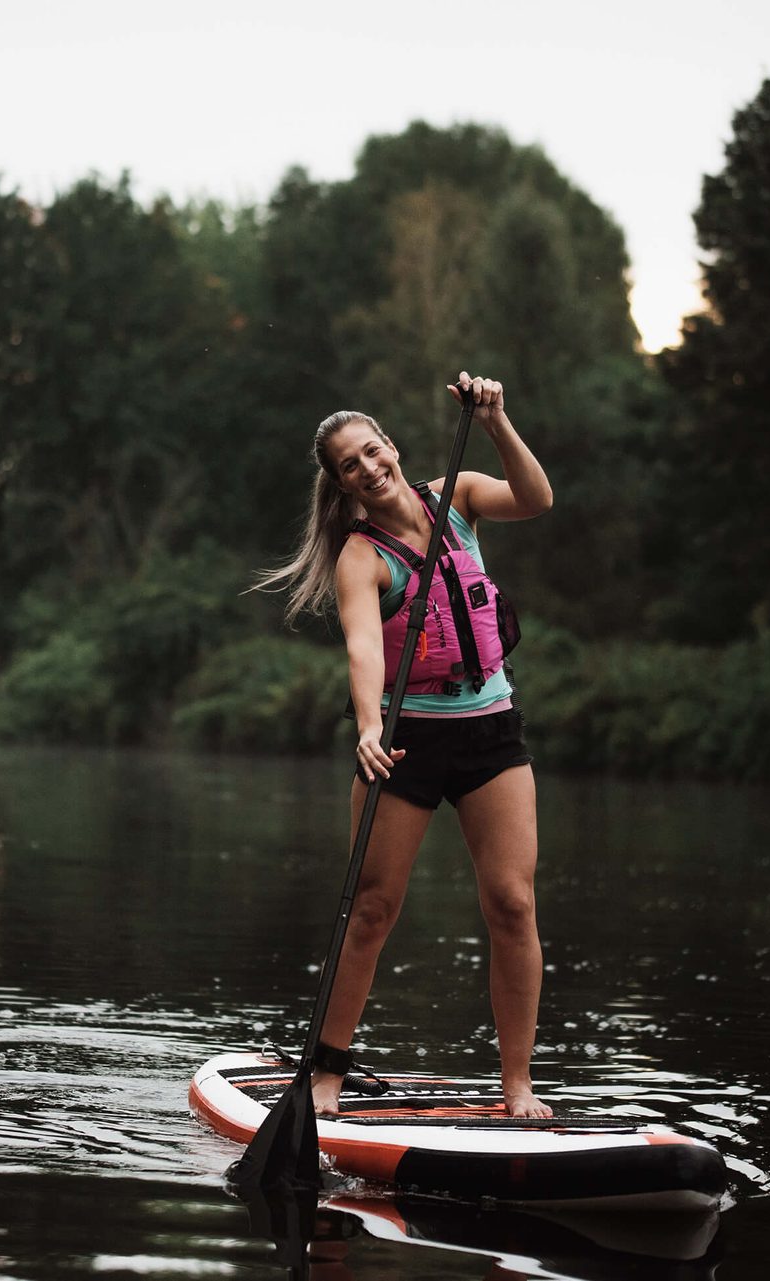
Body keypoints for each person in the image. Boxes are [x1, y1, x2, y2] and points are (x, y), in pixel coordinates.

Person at [255, 372, 554, 1118]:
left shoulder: (458, 498)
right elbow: (364, 648)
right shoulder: (362, 555)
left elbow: (538, 498)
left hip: (492, 732)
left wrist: (495, 421)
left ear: (390, 443)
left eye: (372, 449)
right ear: (341, 483)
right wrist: (366, 725)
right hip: (407, 741)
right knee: (374, 909)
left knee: (513, 905)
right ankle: (325, 1071)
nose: (369, 466)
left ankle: (517, 1084)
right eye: (350, 464)